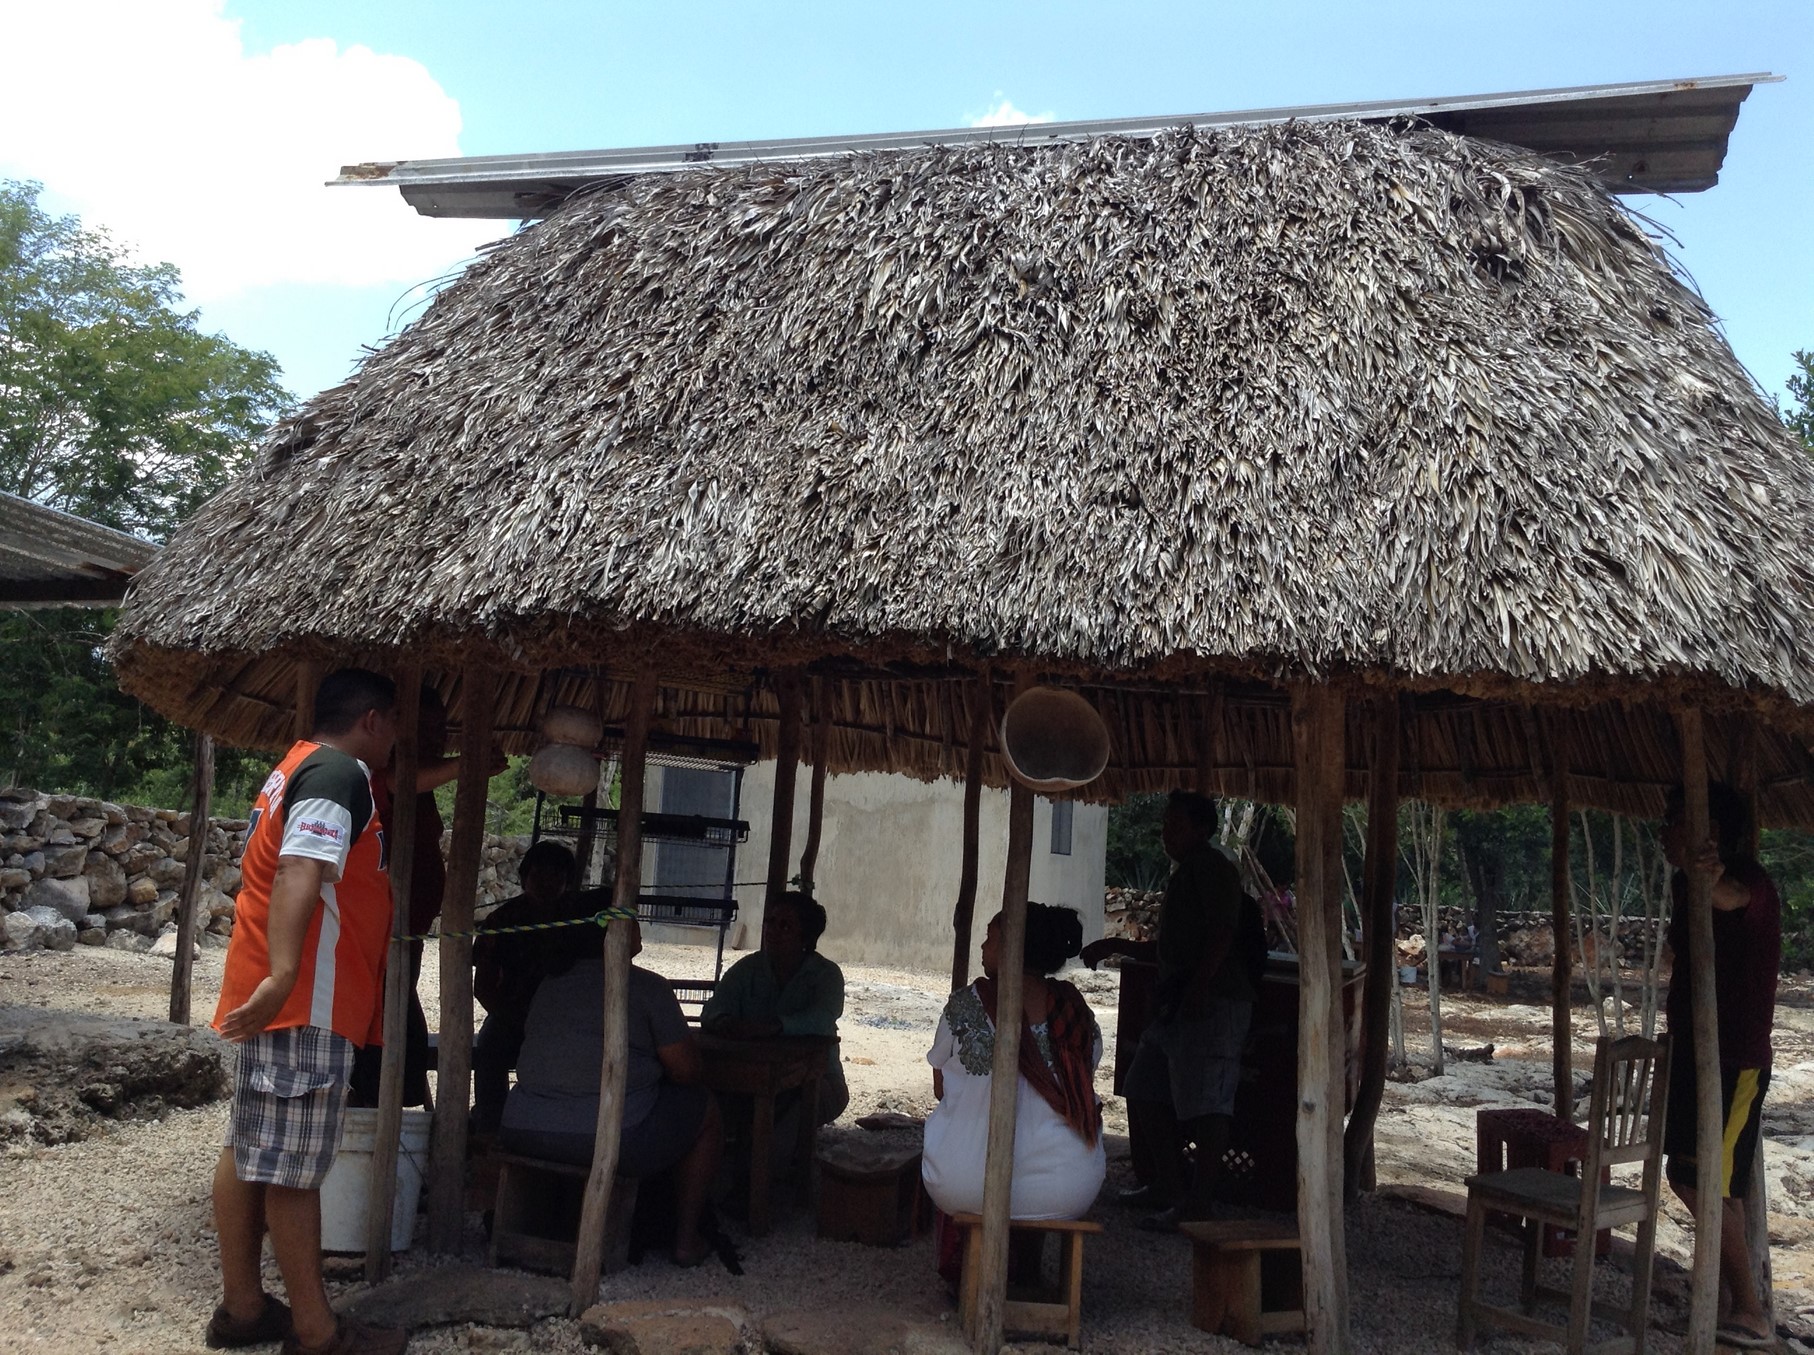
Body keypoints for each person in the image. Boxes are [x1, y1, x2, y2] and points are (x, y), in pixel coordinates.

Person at [206, 668, 407, 1355]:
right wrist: (285, 974)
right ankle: (318, 1333)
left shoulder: (297, 766)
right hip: (305, 999)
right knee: (292, 1168)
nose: (397, 739)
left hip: (281, 996)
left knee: (249, 1148)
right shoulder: (338, 774)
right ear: (373, 720)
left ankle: (243, 1309)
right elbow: (301, 866)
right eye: (396, 724)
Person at [500, 916, 725, 1267]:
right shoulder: (648, 987)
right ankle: (686, 1240)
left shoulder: (550, 984)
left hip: (521, 1127)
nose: (638, 928)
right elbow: (687, 1071)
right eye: (631, 921)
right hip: (608, 1138)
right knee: (705, 1108)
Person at [1080, 788, 1254, 1228]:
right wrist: (1118, 946)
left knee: (1210, 1103)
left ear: (1202, 829)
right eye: (1165, 824)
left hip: (1213, 1002)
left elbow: (1222, 934)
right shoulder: (1187, 874)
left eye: (1176, 825)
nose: (1165, 833)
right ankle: (1169, 1186)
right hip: (1180, 1001)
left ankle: (1199, 1204)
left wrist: (1200, 987)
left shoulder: (1211, 869)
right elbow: (1174, 949)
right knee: (1143, 1085)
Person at [1661, 782, 1781, 1351]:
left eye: (1674, 822)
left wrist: (1707, 878)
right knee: (1705, 1178)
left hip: (1733, 1061)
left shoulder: (1751, 882)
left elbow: (1731, 896)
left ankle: (1752, 1311)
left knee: (1700, 1179)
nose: (1664, 833)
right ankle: (1730, 1305)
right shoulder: (1685, 885)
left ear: (1706, 830)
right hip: (1696, 1053)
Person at [348, 685, 498, 1111]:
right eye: (426, 729)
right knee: (382, 1022)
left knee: (402, 1014)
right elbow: (400, 780)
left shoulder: (421, 782)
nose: (437, 739)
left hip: (407, 931)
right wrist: (467, 764)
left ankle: (400, 1112)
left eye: (441, 730)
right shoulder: (380, 771)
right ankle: (371, 1114)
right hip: (379, 933)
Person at [921, 903, 1106, 1229]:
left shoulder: (965, 1004)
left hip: (964, 1184)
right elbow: (1083, 1083)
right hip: (1067, 1187)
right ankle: (1030, 1256)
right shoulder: (1075, 1012)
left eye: (990, 938)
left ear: (1012, 946)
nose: (982, 946)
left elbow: (940, 1090)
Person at [702, 890, 849, 1124]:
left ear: (805, 937)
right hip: (750, 1074)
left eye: (785, 926)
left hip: (819, 1078)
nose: (772, 931)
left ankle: (772, 1148)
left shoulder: (826, 975)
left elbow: (822, 1017)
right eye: (770, 922)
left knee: (787, 1108)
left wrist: (776, 1026)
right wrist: (725, 1022)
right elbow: (713, 1009)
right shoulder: (747, 969)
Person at [470, 839, 583, 1132]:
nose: (546, 884)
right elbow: (482, 987)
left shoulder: (580, 922)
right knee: (489, 1047)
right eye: (538, 875)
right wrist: (515, 1019)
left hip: (571, 1020)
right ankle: (491, 1124)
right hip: (514, 1017)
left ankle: (570, 1125)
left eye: (555, 876)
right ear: (524, 879)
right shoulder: (502, 921)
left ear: (568, 882)